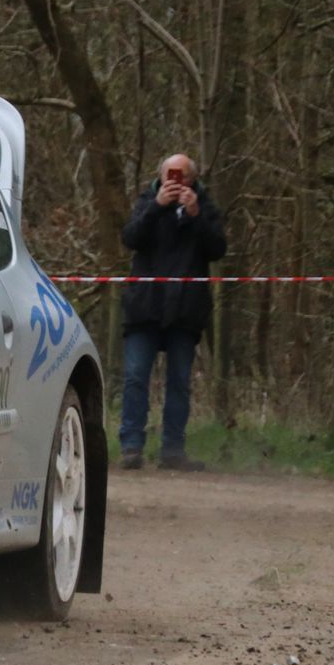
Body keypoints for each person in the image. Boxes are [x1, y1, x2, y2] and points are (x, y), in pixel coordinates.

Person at [117, 153, 227, 471]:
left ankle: (173, 450)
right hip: (145, 305)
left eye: (181, 176)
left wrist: (195, 216)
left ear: (193, 179)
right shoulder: (146, 201)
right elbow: (130, 237)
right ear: (160, 176)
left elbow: (218, 249)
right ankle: (131, 446)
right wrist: (157, 207)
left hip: (185, 308)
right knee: (135, 376)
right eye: (169, 176)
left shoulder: (204, 206)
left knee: (179, 380)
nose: (175, 182)